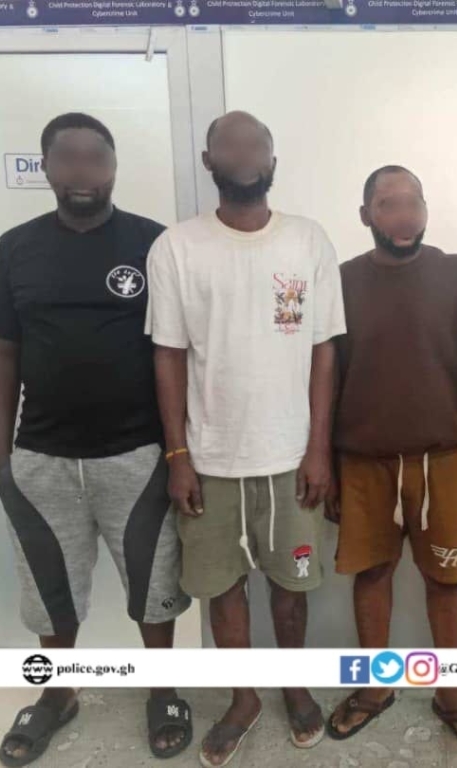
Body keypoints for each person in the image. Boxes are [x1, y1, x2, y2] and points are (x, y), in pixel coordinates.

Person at [0, 113, 193, 767]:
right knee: (50, 591)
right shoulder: (15, 248)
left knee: (153, 585)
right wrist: (2, 457)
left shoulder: (154, 244)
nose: (82, 172)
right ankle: (57, 693)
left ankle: (162, 690)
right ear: (46, 167)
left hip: (137, 456)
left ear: (114, 166)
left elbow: (176, 351)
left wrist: (177, 449)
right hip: (42, 458)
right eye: (67, 158)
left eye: (95, 158)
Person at [146, 111, 345, 767]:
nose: (243, 154)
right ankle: (243, 697)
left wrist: (318, 448)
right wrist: (179, 456)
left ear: (273, 161)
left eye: (256, 144)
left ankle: (294, 686)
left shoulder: (308, 241)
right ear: (209, 160)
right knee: (221, 586)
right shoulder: (177, 247)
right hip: (209, 458)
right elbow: (168, 356)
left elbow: (323, 350)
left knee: (292, 584)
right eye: (228, 145)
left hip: (291, 456)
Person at [325, 166, 457, 752]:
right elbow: (327, 376)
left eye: (413, 203)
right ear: (365, 215)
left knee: (446, 580)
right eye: (387, 204)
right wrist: (325, 461)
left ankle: (451, 694)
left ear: (426, 209)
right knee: (372, 574)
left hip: (444, 458)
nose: (403, 216)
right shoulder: (341, 280)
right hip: (363, 460)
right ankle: (376, 688)